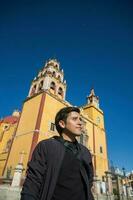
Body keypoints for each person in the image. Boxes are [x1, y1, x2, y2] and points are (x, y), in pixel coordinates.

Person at [21, 106, 94, 200]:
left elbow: (89, 179)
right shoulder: (46, 146)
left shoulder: (85, 152)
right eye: (75, 119)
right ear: (62, 124)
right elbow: (33, 182)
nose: (80, 123)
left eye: (80, 119)